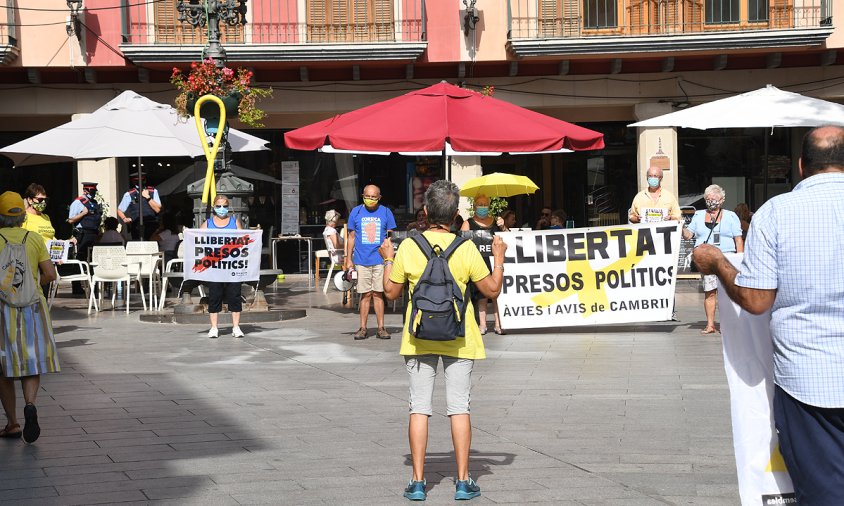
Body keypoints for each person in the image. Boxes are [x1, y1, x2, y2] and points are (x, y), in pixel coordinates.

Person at [692, 126, 844, 505]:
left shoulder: (778, 212)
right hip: (809, 380)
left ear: (800, 165)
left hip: (810, 382)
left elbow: (757, 300)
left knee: (825, 491)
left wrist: (719, 263)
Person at [378, 179, 507, 502]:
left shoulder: (409, 246)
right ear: (457, 215)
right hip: (461, 337)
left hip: (419, 337)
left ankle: (418, 482)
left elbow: (391, 292)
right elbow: (491, 290)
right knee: (459, 408)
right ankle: (463, 482)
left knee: (419, 408)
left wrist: (388, 258)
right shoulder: (466, 248)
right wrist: (500, 257)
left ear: (425, 211)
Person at [0, 191, 58, 444]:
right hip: (33, 307)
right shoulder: (34, 238)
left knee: (3, 367)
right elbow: (50, 274)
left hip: (2, 308)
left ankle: (12, 423)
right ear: (22, 215)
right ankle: (30, 404)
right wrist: (33, 283)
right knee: (30, 361)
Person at [681, 184, 743, 334]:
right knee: (710, 292)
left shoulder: (731, 216)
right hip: (707, 259)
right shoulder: (698, 215)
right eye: (708, 199)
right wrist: (680, 227)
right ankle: (710, 325)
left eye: (714, 199)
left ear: (722, 200)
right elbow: (689, 235)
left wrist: (740, 260)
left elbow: (738, 240)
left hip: (726, 258)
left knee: (728, 293)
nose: (711, 202)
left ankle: (727, 323)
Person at [345, 184, 396, 340]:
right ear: (363, 196)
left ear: (379, 197)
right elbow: (351, 237)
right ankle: (363, 328)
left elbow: (390, 237)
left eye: (373, 197)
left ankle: (381, 328)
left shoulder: (386, 212)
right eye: (367, 196)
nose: (370, 199)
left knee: (378, 294)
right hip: (361, 259)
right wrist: (348, 259)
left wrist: (389, 259)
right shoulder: (356, 212)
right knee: (365, 294)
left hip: (380, 260)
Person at [201, 195, 245, 339]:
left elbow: (243, 241)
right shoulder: (207, 223)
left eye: (225, 206)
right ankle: (214, 328)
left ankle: (236, 327)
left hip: (232, 265)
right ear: (213, 207)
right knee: (214, 296)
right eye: (219, 206)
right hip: (215, 267)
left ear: (228, 207)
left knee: (235, 295)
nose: (222, 209)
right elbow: (197, 241)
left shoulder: (234, 222)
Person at [461, 194, 504, 335]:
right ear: (474, 207)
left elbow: (508, 239)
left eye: (485, 204)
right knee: (481, 294)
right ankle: (483, 324)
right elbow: (462, 242)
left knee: (497, 294)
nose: (483, 207)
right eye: (480, 204)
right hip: (478, 263)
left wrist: (503, 227)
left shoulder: (497, 222)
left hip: (495, 261)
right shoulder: (468, 223)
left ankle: (499, 324)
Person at [67, 182, 103, 294]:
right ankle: (77, 286)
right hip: (83, 234)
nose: (93, 193)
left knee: (94, 260)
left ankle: (95, 287)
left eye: (94, 191)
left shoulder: (95, 202)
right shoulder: (78, 202)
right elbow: (70, 220)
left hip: (94, 234)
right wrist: (83, 214)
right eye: (92, 191)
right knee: (80, 260)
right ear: (85, 190)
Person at [118, 173, 162, 241]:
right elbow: (120, 210)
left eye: (141, 180)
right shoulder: (129, 194)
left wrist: (147, 197)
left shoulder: (153, 191)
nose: (139, 183)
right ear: (133, 182)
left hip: (152, 227)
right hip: (136, 227)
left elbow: (158, 209)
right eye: (136, 181)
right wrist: (124, 219)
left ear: (145, 181)